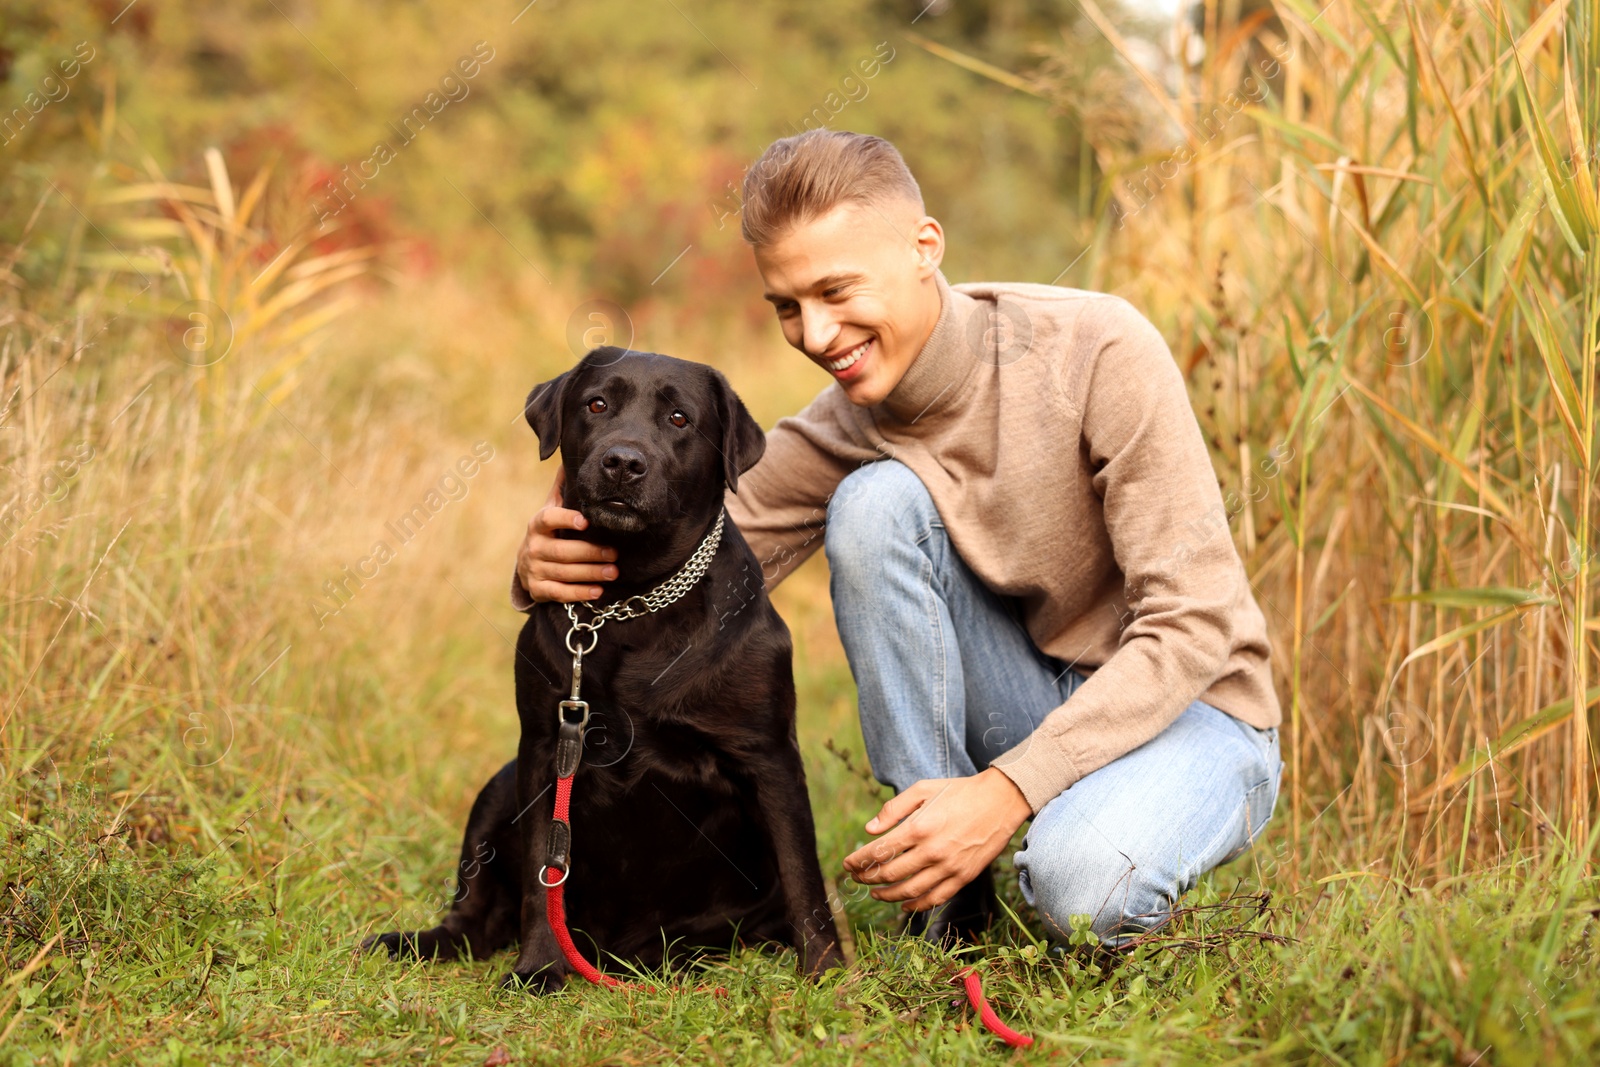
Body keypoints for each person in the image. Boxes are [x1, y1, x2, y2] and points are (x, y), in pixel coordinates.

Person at [511, 129, 1283, 949]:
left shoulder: (1098, 348)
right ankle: (945, 898)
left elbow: (1194, 622)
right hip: (1034, 699)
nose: (815, 332)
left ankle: (1032, 831)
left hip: (1194, 713)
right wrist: (540, 565)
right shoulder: (842, 427)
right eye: (786, 305)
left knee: (1078, 888)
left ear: (926, 246)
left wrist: (1009, 789)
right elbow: (695, 553)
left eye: (837, 290)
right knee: (874, 504)